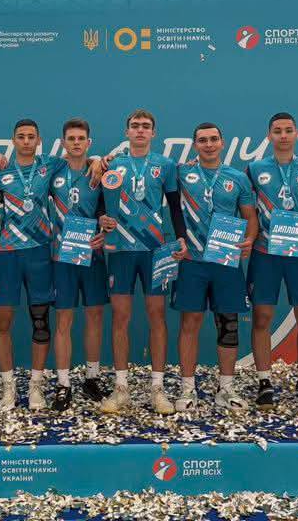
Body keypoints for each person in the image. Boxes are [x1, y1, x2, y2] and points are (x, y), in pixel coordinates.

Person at [95, 109, 187, 415]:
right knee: (120, 317)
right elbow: (100, 203)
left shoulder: (166, 165)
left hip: (154, 250)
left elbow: (175, 206)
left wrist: (181, 237)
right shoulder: (112, 164)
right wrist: (101, 218)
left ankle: (157, 389)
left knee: (156, 316)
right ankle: (121, 388)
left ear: (153, 133)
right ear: (126, 132)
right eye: (135, 126)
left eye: (146, 126)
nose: (140, 130)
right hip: (121, 249)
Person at [173, 122, 258, 412]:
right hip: (192, 261)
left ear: (222, 143)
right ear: (195, 145)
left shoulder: (238, 178)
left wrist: (250, 239)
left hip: (225, 261)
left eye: (213, 139)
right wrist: (102, 161)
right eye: (202, 140)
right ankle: (187, 389)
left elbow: (250, 217)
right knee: (190, 324)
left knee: (228, 325)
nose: (208, 144)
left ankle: (226, 389)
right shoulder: (181, 173)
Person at [246, 112, 298, 412]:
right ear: (269, 136)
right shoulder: (254, 169)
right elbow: (245, 208)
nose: (283, 135)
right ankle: (264, 382)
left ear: (297, 134)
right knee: (261, 318)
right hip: (265, 253)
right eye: (277, 131)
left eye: (288, 130)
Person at [0, 119, 66, 411]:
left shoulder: (50, 165)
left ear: (39, 140)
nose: (26, 141)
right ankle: (8, 387)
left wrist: (98, 162)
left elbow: (81, 161)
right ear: (13, 140)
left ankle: (35, 386)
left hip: (40, 252)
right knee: (3, 320)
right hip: (8, 253)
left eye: (31, 136)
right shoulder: (0, 170)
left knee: (40, 321)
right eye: (21, 136)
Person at [50, 118, 108, 411]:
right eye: (70, 138)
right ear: (63, 143)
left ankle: (92, 377)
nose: (76, 143)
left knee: (94, 316)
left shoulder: (99, 170)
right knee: (64, 320)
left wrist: (104, 230)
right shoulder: (52, 170)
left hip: (92, 254)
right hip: (62, 257)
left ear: (88, 143)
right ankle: (63, 384)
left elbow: (107, 211)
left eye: (80, 138)